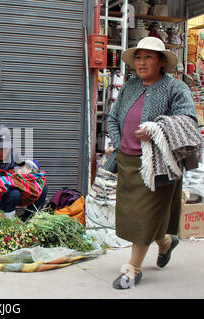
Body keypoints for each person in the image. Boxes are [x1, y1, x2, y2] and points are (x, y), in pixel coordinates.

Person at [105, 37, 199, 289]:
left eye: (148, 57)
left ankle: (132, 269)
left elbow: (188, 120)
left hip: (158, 164)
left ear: (161, 62)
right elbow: (112, 119)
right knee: (135, 215)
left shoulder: (175, 88)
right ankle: (166, 243)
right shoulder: (129, 86)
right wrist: (121, 140)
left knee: (146, 215)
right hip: (127, 162)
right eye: (138, 57)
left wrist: (156, 130)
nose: (141, 62)